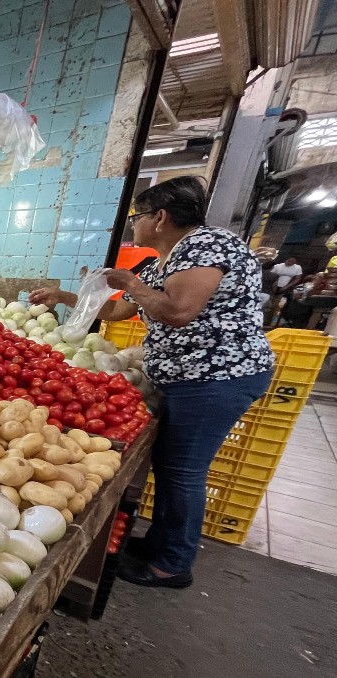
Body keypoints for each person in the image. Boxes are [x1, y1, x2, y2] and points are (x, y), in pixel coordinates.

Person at [30, 176, 274, 589]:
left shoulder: (207, 246)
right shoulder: (163, 259)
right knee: (172, 465)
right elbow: (118, 312)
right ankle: (162, 544)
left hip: (215, 376)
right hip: (190, 377)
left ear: (159, 217)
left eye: (136, 216)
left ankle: (172, 564)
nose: (133, 225)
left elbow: (178, 311)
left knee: (183, 470)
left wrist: (134, 284)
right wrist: (65, 296)